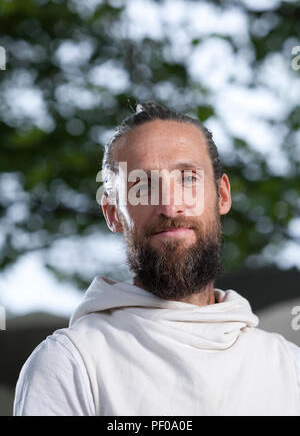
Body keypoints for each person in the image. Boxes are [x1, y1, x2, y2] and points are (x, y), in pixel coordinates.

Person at [14, 102, 300, 416]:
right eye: (142, 186)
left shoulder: (288, 364)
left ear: (223, 196)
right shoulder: (70, 363)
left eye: (188, 178)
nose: (170, 206)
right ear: (113, 214)